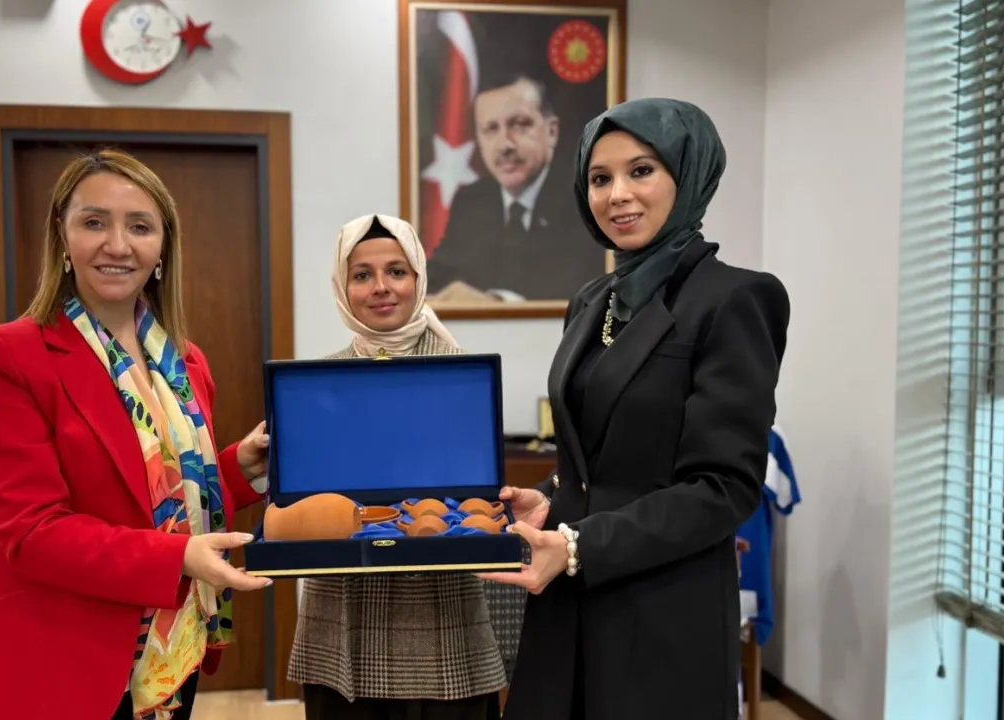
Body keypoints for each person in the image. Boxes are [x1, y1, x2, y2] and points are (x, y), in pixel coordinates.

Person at [479, 98, 791, 720]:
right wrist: (552, 497)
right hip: (567, 607)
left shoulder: (734, 298)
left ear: (687, 174)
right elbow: (598, 453)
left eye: (641, 170)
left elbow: (723, 487)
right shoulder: (592, 300)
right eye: (600, 178)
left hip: (663, 613)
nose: (617, 194)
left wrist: (578, 544)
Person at [0, 149, 273, 720]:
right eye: (94, 222)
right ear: (62, 237)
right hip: (58, 666)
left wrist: (240, 467)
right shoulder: (7, 356)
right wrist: (178, 556)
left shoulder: (185, 362)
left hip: (170, 653)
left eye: (139, 227)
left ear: (162, 248)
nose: (117, 245)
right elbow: (33, 532)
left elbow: (164, 492)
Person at [288, 213, 508, 719]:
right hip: (342, 617)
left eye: (396, 271)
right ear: (343, 287)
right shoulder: (317, 384)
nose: (380, 287)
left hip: (442, 620)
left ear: (418, 279)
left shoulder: (462, 373)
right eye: (362, 274)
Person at [425, 73, 605, 301]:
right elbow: (439, 275)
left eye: (519, 124)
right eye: (491, 129)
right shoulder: (471, 200)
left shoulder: (585, 199)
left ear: (552, 132)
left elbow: (584, 288)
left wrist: (497, 304)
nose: (505, 145)